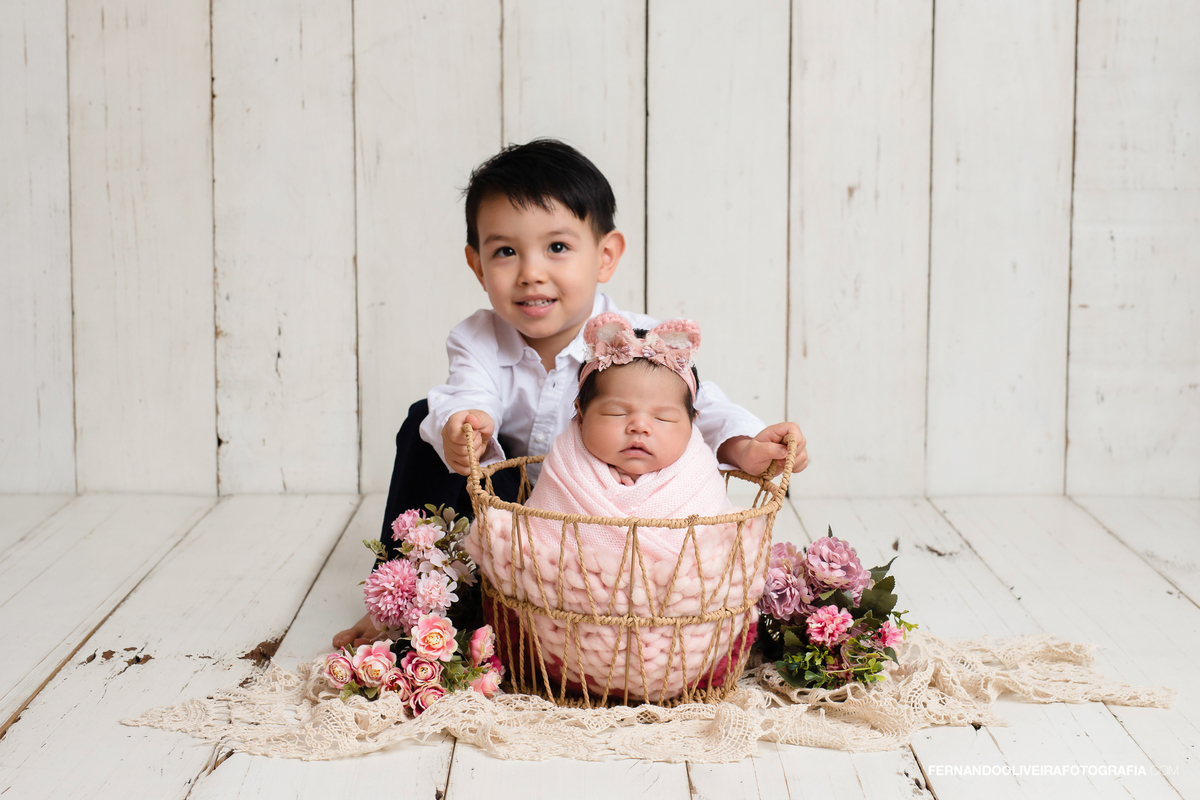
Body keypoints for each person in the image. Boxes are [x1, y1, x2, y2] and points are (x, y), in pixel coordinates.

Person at [333, 139, 808, 649]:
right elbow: (466, 392)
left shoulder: (636, 339)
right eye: (505, 251)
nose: (531, 271)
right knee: (424, 419)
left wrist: (746, 444)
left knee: (662, 427)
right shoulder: (477, 337)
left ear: (605, 256)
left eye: (557, 248)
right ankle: (407, 587)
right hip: (508, 511)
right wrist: (463, 423)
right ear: (476, 265)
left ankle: (629, 608)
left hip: (602, 516)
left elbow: (701, 408)